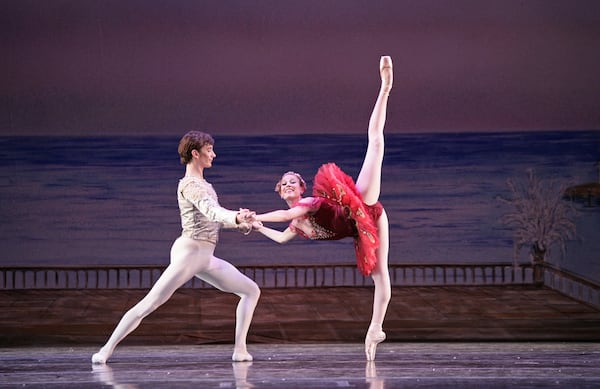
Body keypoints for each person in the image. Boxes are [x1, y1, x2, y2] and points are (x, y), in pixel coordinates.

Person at [250, 56, 393, 361]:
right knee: (380, 278)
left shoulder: (309, 204)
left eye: (293, 182)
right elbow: (281, 236)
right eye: (283, 183)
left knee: (375, 145)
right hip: (361, 231)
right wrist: (258, 227)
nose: (288, 185)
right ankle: (374, 330)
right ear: (280, 190)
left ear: (302, 188)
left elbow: (287, 215)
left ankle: (385, 88)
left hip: (363, 207)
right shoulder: (295, 223)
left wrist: (255, 215)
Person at [92, 131, 260, 364]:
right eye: (209, 150)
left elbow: (212, 220)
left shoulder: (203, 184)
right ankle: (105, 350)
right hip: (190, 252)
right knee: (151, 303)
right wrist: (236, 218)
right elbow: (213, 212)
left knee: (251, 290)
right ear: (195, 153)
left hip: (205, 256)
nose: (214, 154)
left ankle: (240, 350)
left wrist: (244, 223)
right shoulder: (191, 185)